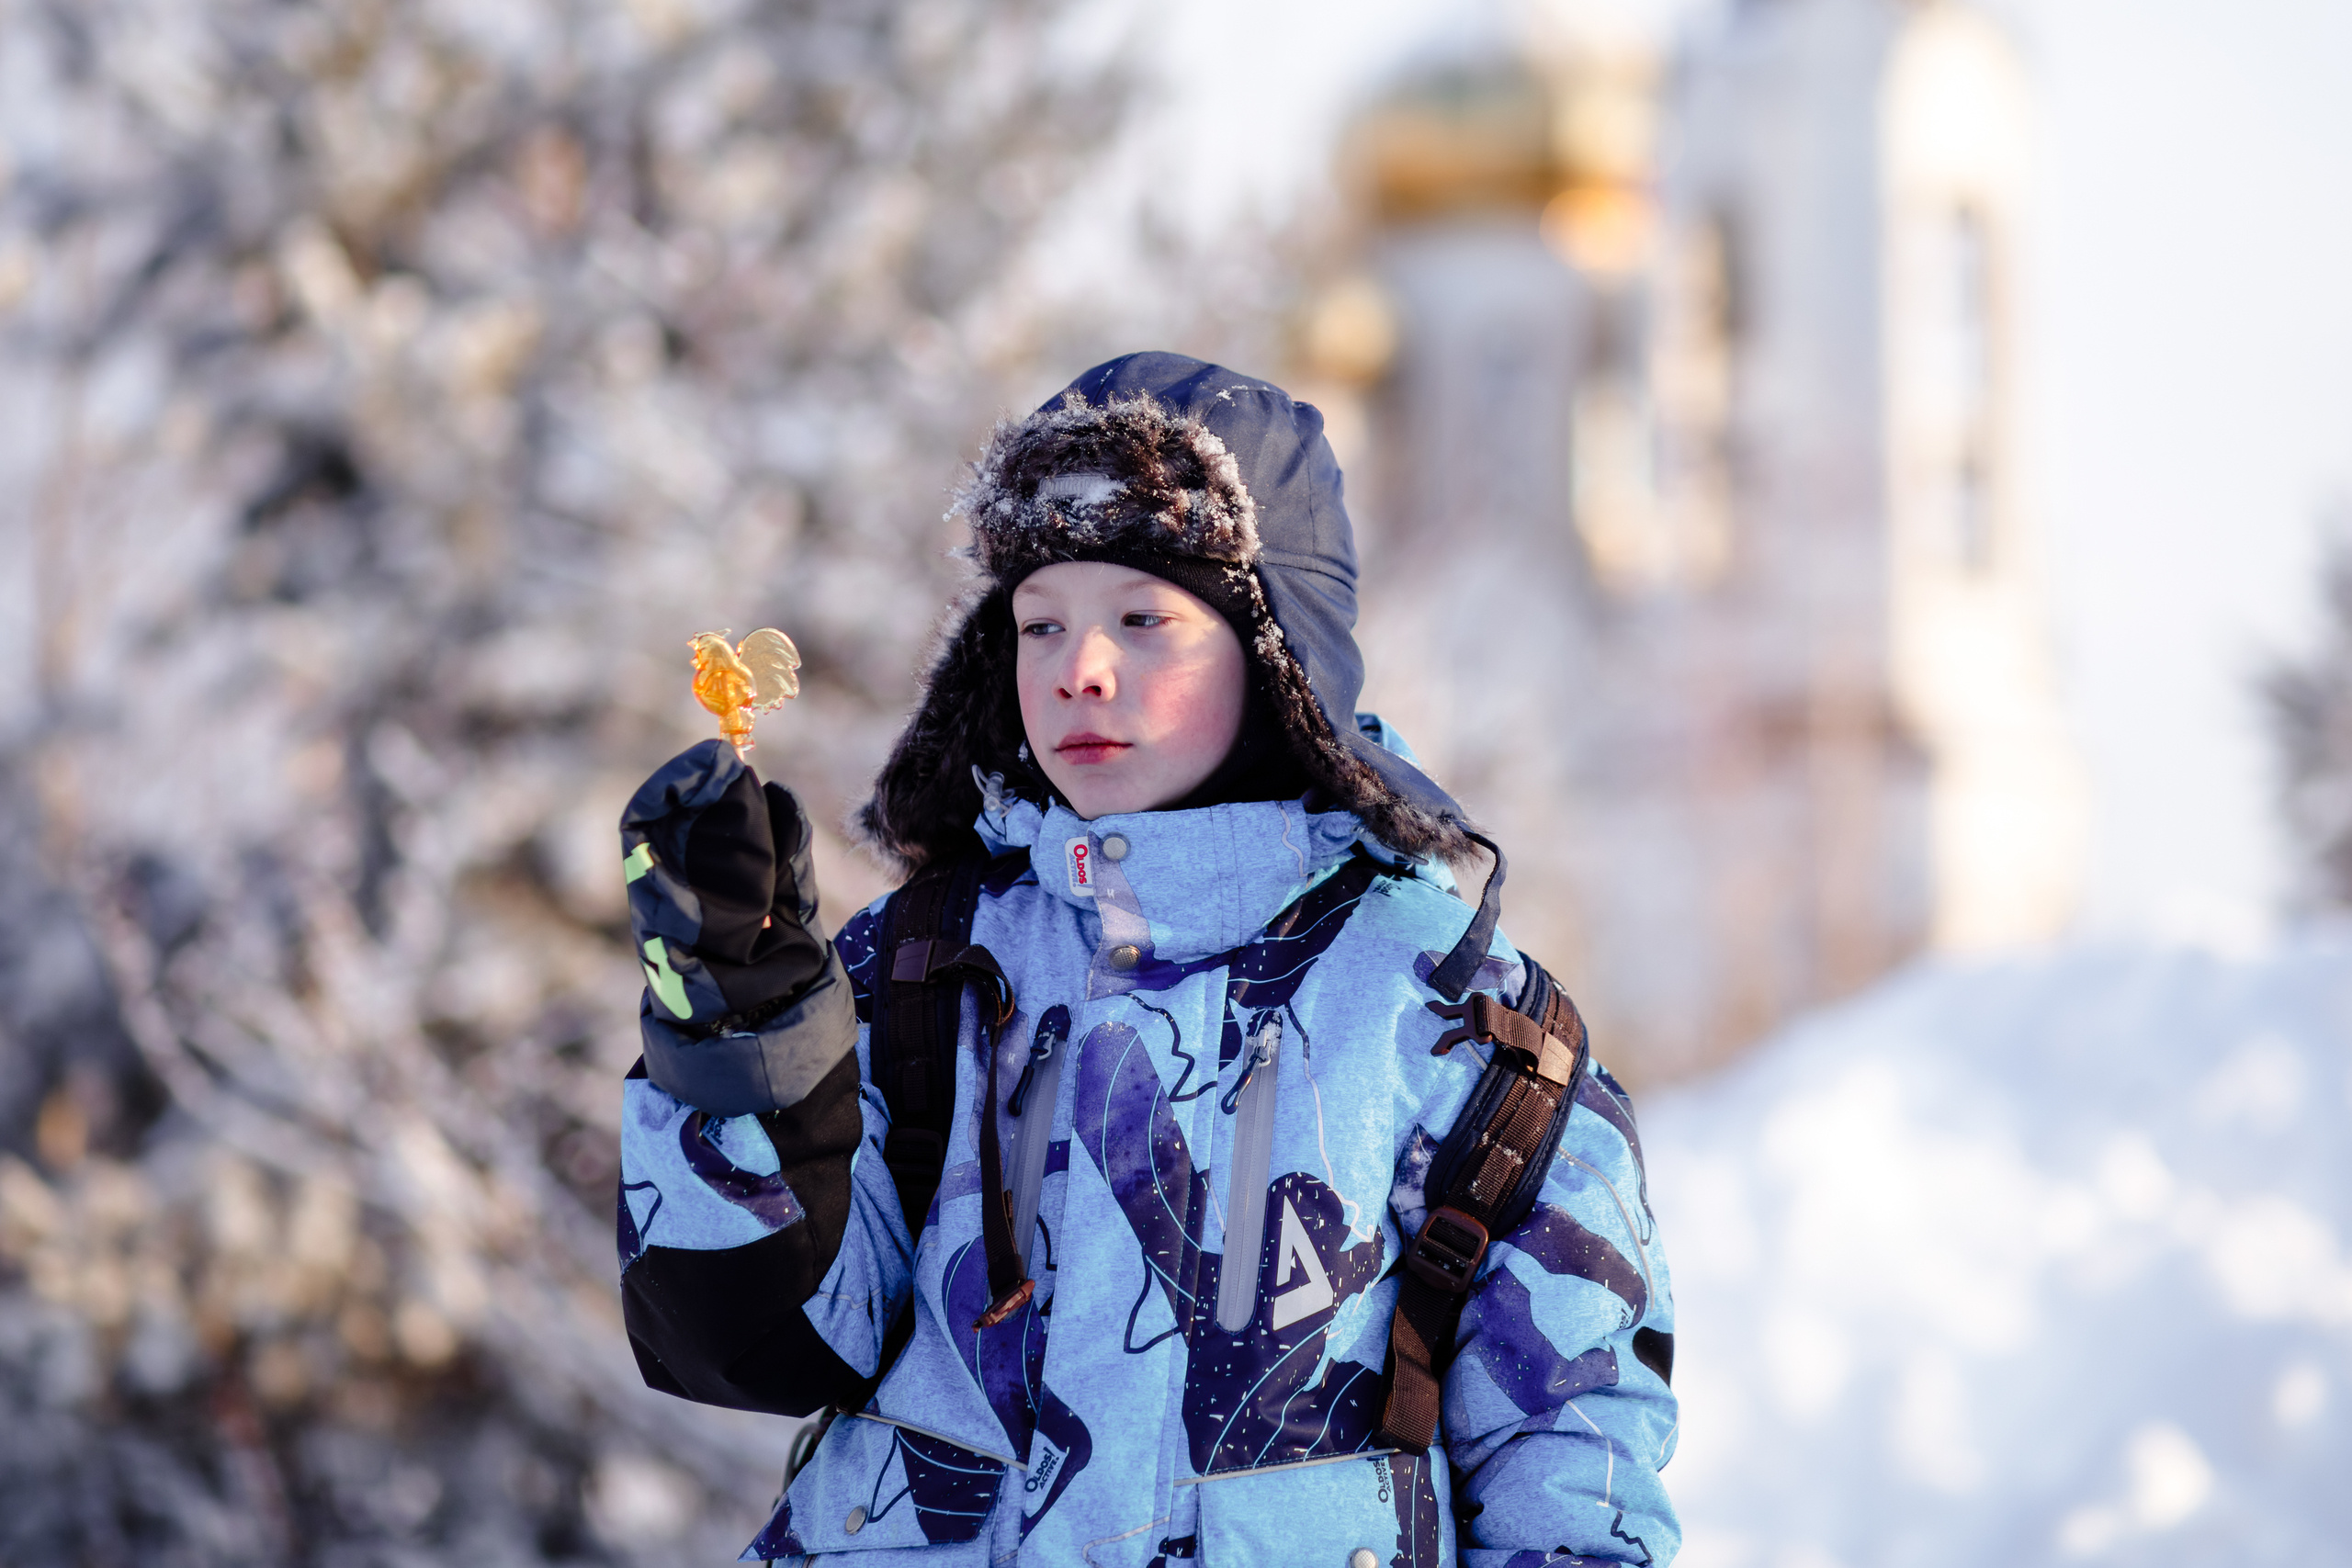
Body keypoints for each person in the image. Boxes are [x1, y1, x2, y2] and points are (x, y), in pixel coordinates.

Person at [614, 353, 1679, 1566]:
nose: (1080, 668)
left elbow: (1572, 1447)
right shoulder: (924, 961)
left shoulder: (1449, 1014)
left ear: (1277, 653)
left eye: (1143, 620)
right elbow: (754, 1344)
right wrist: (741, 1031)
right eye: (1041, 624)